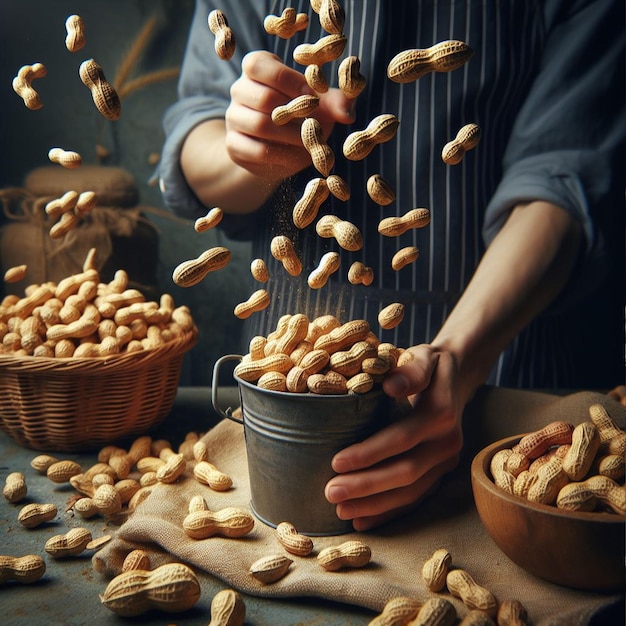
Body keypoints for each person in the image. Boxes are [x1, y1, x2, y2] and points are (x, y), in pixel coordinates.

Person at [158, 0, 625, 530]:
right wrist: (246, 151)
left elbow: (562, 178)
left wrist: (458, 358)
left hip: (507, 376)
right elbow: (197, 125)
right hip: (294, 371)